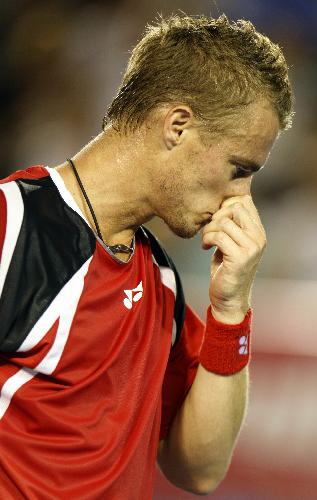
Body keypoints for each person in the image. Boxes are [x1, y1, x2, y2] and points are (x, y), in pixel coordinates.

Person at [0, 14, 293, 499]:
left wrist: (229, 311)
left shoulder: (160, 284)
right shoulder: (12, 225)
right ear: (178, 126)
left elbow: (199, 469)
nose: (241, 199)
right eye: (239, 169)